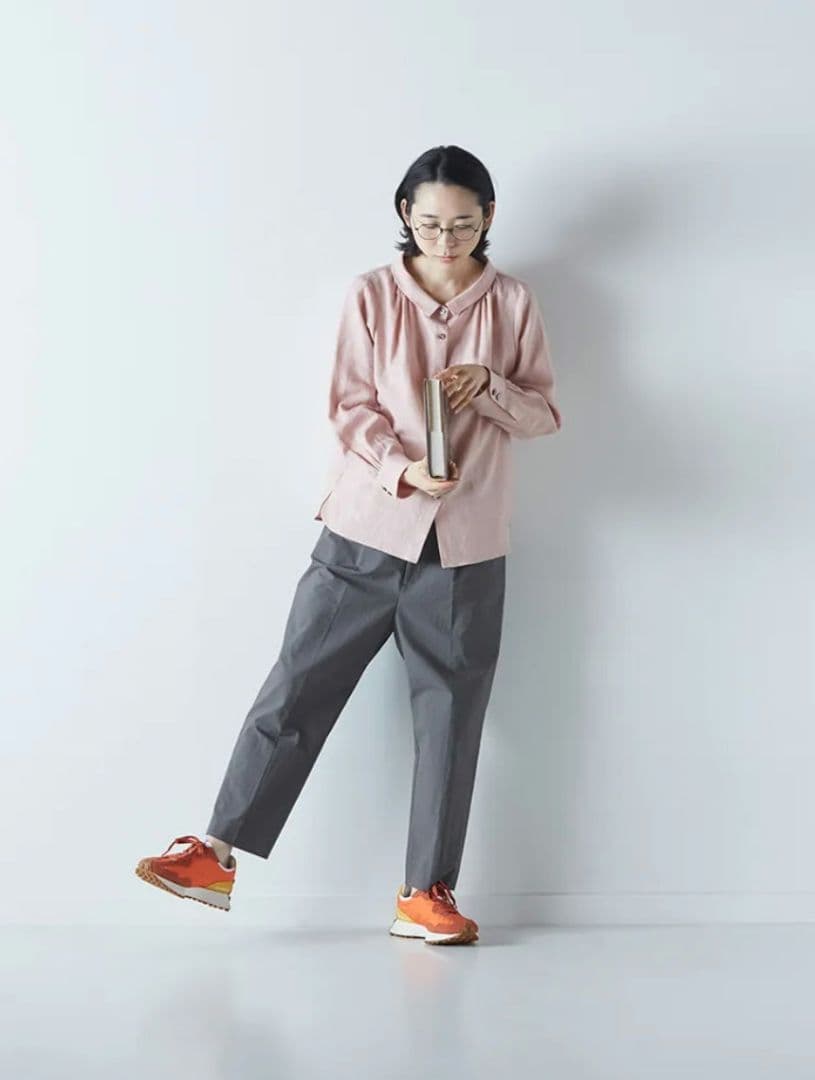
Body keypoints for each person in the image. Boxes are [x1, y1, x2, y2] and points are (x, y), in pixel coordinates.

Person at [135, 145, 562, 945]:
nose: (444, 240)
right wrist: (403, 471)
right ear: (404, 215)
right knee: (297, 688)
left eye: (461, 225)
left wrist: (491, 388)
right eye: (428, 224)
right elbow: (350, 408)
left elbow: (542, 415)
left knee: (450, 720)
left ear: (488, 218)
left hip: (465, 549)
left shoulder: (511, 301)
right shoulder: (371, 294)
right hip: (364, 533)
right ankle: (213, 855)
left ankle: (424, 894)